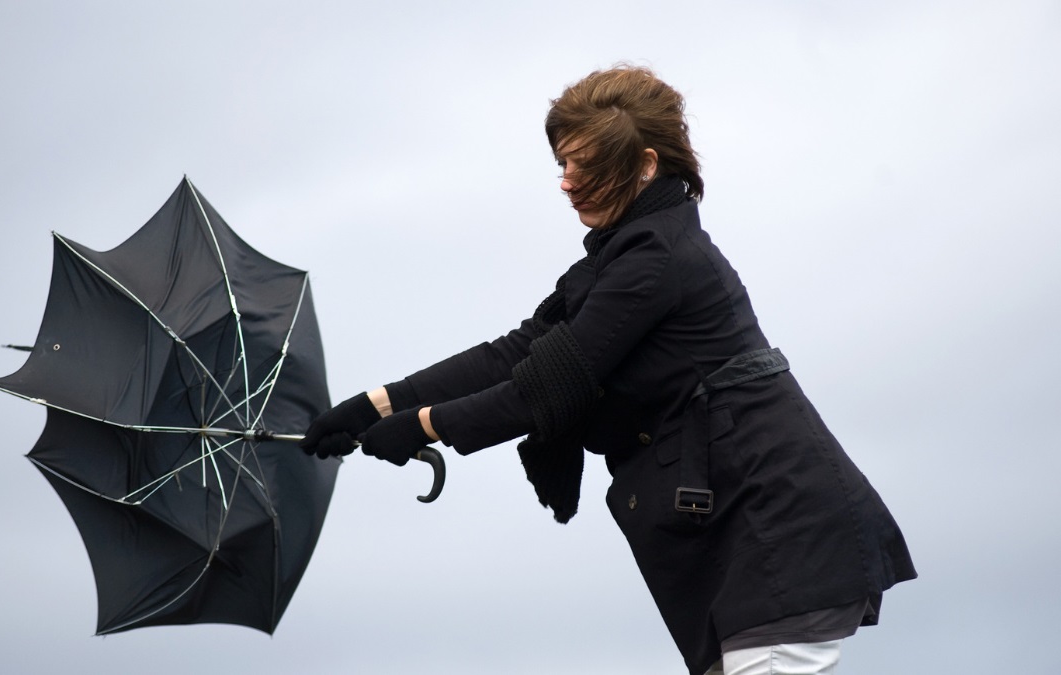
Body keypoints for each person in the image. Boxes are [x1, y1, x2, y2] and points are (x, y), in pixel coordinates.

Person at [300, 65, 916, 675]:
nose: (566, 183)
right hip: (752, 556)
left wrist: (422, 426)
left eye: (583, 165)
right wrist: (374, 406)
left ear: (646, 165)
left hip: (778, 543)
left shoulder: (656, 257)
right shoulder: (626, 256)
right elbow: (516, 353)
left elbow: (540, 389)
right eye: (561, 165)